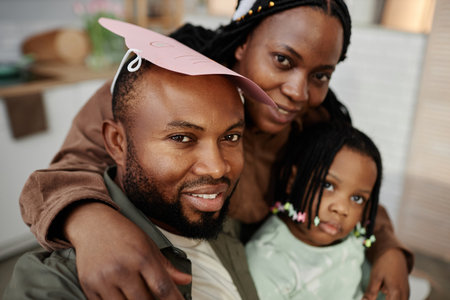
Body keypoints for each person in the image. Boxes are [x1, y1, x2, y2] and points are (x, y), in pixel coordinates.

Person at [19, 1, 413, 299]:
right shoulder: (160, 82)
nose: (298, 92)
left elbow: (348, 184)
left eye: (320, 75)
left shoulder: (314, 123)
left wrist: (387, 247)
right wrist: (92, 224)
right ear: (242, 44)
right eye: (282, 60)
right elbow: (67, 171)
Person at [5, 37, 271, 298]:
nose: (216, 168)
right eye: (181, 138)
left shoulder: (217, 217)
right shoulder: (59, 280)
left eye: (231, 137)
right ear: (117, 143)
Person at [246, 121, 383, 299]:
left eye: (357, 198)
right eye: (327, 185)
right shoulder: (267, 259)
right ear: (292, 181)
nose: (342, 209)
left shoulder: (353, 238)